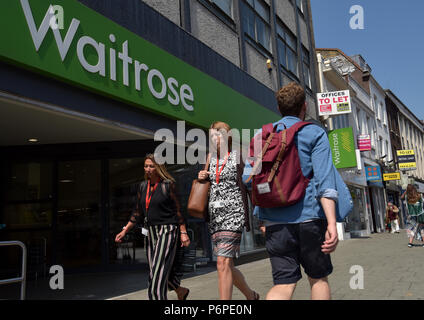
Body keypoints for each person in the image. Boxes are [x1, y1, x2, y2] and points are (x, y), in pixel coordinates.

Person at [243, 82, 339, 300]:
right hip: (310, 219)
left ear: (279, 108)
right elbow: (326, 182)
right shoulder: (314, 133)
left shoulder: (262, 135)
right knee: (318, 279)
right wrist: (332, 223)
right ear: (304, 106)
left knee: (284, 284)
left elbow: (247, 180)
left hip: (275, 224)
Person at [115, 154, 191, 300]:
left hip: (167, 231)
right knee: (156, 271)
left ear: (158, 168)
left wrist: (183, 232)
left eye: (151, 166)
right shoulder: (142, 186)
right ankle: (180, 290)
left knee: (156, 275)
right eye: (146, 166)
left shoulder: (167, 185)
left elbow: (178, 210)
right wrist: (125, 230)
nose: (148, 169)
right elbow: (137, 212)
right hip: (150, 232)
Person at [198, 121, 259, 300]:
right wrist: (202, 176)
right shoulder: (210, 157)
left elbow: (249, 186)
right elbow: (207, 183)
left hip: (234, 213)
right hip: (216, 216)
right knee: (227, 264)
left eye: (216, 135)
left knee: (222, 262)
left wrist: (259, 216)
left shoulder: (239, 156)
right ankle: (251, 295)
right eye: (211, 136)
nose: (214, 139)